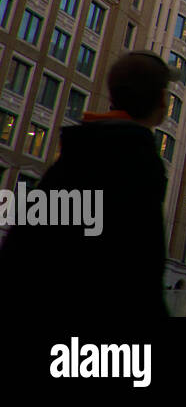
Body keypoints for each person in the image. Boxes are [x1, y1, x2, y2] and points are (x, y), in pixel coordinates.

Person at [0, 51, 171, 319]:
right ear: (162, 100)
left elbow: (19, 251)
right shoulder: (137, 167)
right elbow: (139, 279)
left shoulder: (75, 157)